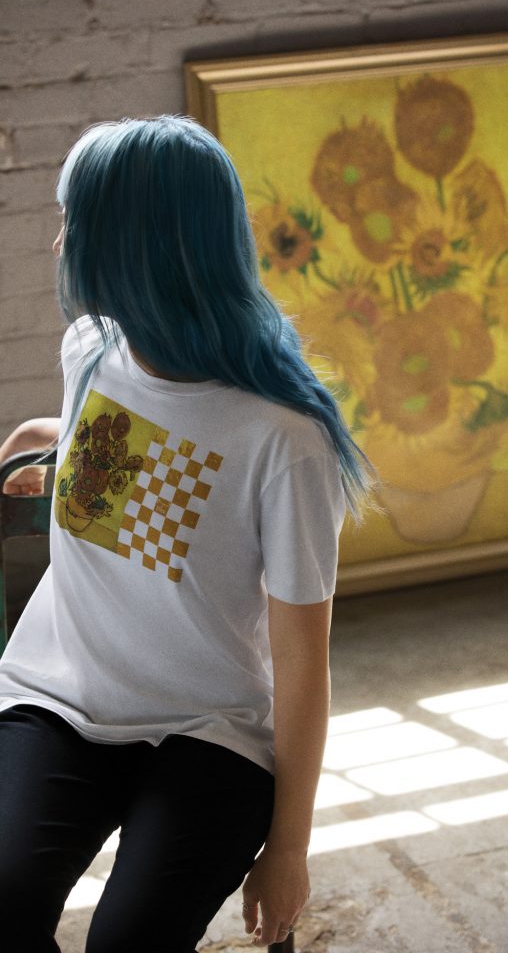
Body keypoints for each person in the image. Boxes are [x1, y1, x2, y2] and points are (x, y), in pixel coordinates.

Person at [0, 115, 380, 952]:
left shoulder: (285, 440)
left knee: (127, 943)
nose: (59, 242)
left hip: (209, 732)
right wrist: (51, 452)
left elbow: (302, 661)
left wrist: (289, 849)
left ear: (134, 246)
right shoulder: (90, 351)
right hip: (58, 700)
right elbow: (137, 446)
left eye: (75, 222)